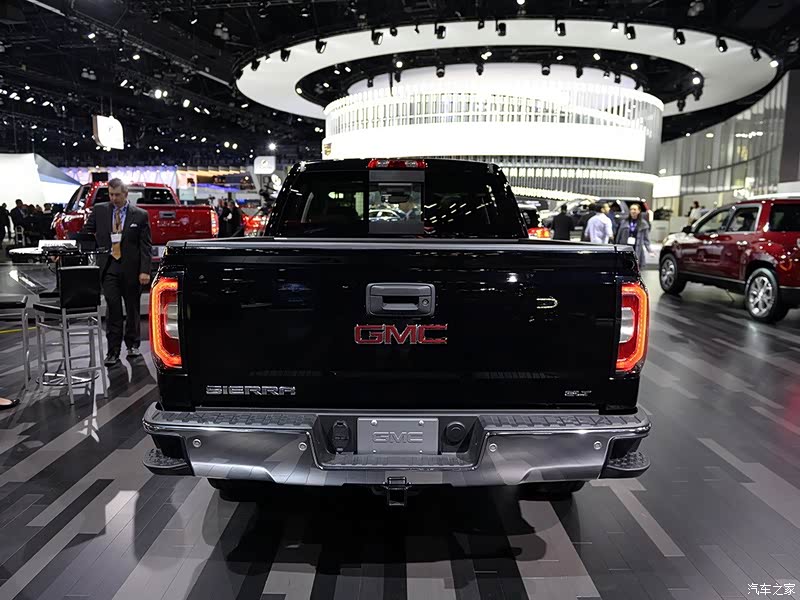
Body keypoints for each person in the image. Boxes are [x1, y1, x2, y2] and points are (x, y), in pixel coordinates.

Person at [83, 178, 152, 367]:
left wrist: (145, 270)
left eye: (117, 195)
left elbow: (145, 245)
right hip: (109, 268)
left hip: (132, 270)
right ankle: (113, 351)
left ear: (126, 194)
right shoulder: (100, 210)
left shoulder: (140, 215)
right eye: (111, 194)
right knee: (113, 308)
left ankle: (133, 345)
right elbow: (86, 234)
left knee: (132, 308)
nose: (114, 198)